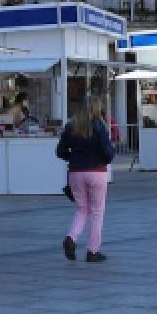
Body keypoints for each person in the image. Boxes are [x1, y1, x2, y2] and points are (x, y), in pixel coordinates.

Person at [56, 96, 116, 263]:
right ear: (97, 109)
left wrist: (73, 157)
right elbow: (108, 152)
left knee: (82, 209)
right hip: (96, 171)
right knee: (97, 212)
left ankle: (71, 237)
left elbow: (60, 151)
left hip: (75, 172)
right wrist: (106, 158)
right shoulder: (99, 126)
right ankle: (93, 251)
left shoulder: (70, 127)